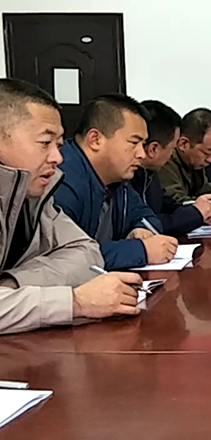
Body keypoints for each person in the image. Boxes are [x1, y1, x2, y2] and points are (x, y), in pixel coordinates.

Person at [0, 79, 145, 334]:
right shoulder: (57, 183)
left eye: (58, 144)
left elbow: (87, 252)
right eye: (45, 143)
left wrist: (12, 286)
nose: (58, 157)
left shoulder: (35, 194)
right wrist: (74, 302)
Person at [55, 94, 179, 271]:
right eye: (134, 142)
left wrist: (142, 229)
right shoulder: (62, 181)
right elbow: (64, 258)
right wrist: (140, 250)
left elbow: (146, 215)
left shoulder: (117, 179)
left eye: (143, 144)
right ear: (95, 140)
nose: (141, 154)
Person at [131, 100, 211, 236]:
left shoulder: (149, 173)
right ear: (153, 149)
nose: (172, 154)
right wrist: (196, 213)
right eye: (172, 148)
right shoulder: (125, 178)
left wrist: (200, 209)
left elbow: (169, 206)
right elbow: (146, 224)